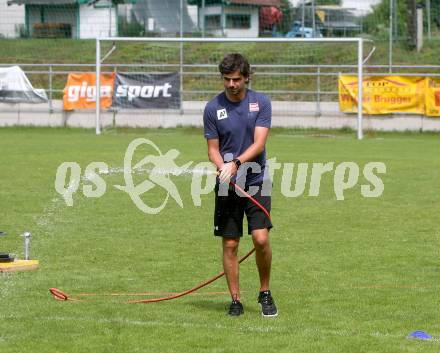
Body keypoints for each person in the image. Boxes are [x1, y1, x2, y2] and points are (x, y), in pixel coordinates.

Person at [203, 53, 278, 317]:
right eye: (227, 80)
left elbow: (259, 144)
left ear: (246, 77)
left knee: (260, 238)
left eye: (236, 79)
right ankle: (235, 299)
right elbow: (212, 149)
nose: (231, 84)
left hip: (256, 180)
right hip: (227, 184)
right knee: (231, 244)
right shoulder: (213, 108)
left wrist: (234, 163)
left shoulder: (261, 103)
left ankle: (265, 292)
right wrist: (221, 166)